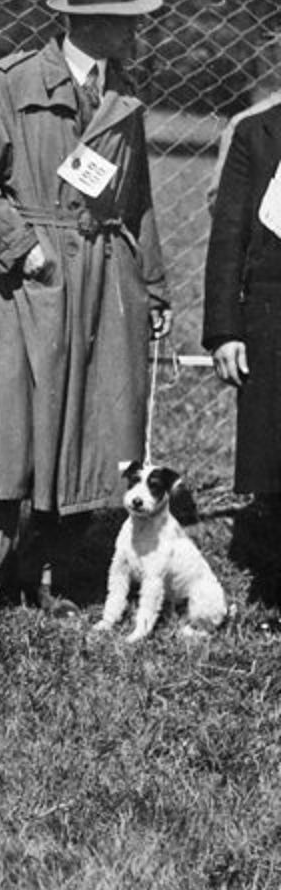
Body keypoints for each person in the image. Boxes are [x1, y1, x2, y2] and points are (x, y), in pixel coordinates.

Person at [0, 0, 170, 610]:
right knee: (11, 431)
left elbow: (139, 201)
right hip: (29, 287)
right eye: (127, 18)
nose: (136, 30)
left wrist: (152, 288)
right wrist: (23, 247)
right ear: (90, 21)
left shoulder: (124, 95)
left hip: (105, 284)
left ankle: (47, 572)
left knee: (93, 430)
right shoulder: (16, 84)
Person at [204, 69, 281, 595]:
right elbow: (228, 234)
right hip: (270, 315)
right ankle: (273, 579)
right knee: (274, 452)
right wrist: (225, 331)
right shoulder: (257, 134)